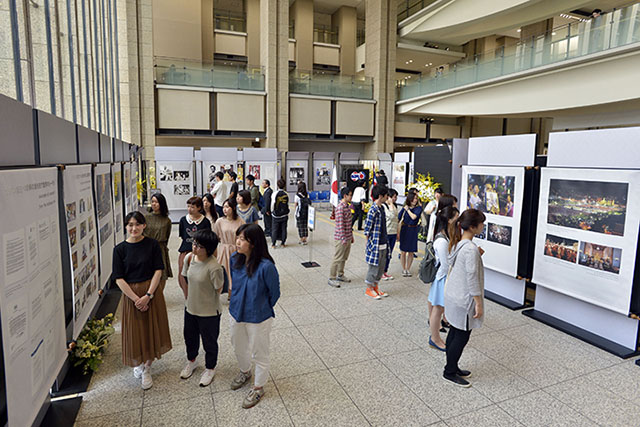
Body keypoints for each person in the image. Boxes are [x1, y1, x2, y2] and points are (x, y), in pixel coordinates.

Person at [113, 212, 172, 390]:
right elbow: (119, 278)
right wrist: (136, 299)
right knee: (135, 330)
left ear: (144, 225)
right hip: (131, 295)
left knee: (151, 328)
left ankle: (147, 366)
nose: (134, 228)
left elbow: (158, 271)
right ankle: (138, 363)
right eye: (130, 225)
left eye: (138, 224)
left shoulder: (152, 245)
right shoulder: (119, 249)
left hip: (151, 292)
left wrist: (148, 295)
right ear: (125, 227)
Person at [229, 224, 280, 409]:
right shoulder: (234, 259)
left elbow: (274, 293)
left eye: (242, 239)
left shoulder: (266, 267)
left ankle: (258, 387)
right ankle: (245, 371)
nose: (237, 242)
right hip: (236, 312)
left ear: (253, 243)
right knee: (238, 345)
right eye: (238, 238)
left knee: (260, 352)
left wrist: (260, 307)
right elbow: (234, 285)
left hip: (259, 316)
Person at [443, 208, 486, 387]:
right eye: (482, 223)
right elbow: (472, 278)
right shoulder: (470, 249)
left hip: (453, 294)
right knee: (461, 336)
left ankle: (452, 366)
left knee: (454, 332)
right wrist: (478, 303)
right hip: (464, 299)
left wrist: (478, 255)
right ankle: (449, 371)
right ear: (473, 227)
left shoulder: (460, 243)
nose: (483, 226)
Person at [180, 230, 224, 387]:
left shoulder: (214, 267)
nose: (194, 247)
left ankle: (210, 368)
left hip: (209, 312)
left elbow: (219, 289)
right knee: (190, 337)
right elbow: (186, 277)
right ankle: (191, 361)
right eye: (194, 243)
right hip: (190, 308)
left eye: (199, 246)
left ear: (209, 249)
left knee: (209, 342)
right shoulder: (189, 258)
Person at [428, 206, 459, 352]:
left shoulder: (446, 236)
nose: (457, 221)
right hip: (442, 278)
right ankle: (435, 338)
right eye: (455, 218)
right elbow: (446, 265)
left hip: (443, 277)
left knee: (438, 308)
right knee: (438, 309)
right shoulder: (441, 240)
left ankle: (435, 338)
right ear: (449, 220)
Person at [178, 197, 212, 298]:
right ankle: (187, 295)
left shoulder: (205, 221)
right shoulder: (183, 220)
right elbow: (182, 235)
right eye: (188, 206)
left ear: (199, 208)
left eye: (192, 207)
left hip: (200, 253)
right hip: (185, 250)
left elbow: (208, 237)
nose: (189, 209)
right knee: (182, 272)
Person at [363, 185, 390, 299]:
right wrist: (369, 242)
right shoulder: (373, 209)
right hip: (375, 244)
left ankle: (375, 287)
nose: (387, 197)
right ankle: (369, 289)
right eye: (386, 195)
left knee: (381, 267)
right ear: (380, 196)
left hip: (383, 241)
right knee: (373, 267)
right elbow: (367, 228)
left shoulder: (382, 208)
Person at [213, 198, 244, 297]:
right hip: (223, 249)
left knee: (234, 271)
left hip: (235, 249)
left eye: (227, 207)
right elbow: (216, 236)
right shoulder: (219, 221)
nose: (225, 209)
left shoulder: (240, 221)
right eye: (223, 207)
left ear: (233, 208)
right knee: (222, 271)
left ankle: (233, 292)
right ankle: (219, 291)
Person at [144, 193, 173, 283]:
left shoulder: (166, 220)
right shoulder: (146, 218)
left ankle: (160, 295)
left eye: (156, 202)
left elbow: (167, 236)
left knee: (162, 274)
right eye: (152, 202)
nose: (154, 204)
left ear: (161, 203)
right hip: (147, 248)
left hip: (160, 248)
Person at [328, 187, 354, 288]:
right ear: (345, 196)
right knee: (337, 258)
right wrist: (343, 238)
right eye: (350, 195)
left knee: (344, 257)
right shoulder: (340, 208)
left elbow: (348, 223)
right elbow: (340, 225)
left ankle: (340, 274)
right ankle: (332, 277)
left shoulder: (347, 206)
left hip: (347, 236)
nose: (351, 197)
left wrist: (351, 236)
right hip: (341, 238)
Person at [397, 192, 423, 277]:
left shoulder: (418, 208)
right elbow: (399, 217)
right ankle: (403, 268)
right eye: (414, 198)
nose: (415, 200)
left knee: (411, 251)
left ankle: (408, 269)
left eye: (416, 198)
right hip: (405, 229)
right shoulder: (405, 207)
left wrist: (407, 210)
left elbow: (414, 217)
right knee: (403, 251)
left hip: (413, 229)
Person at [382, 188, 399, 280]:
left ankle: (385, 271)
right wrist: (391, 204)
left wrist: (397, 233)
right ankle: (381, 271)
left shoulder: (394, 206)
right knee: (385, 253)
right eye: (394, 197)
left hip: (393, 232)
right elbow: (391, 216)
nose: (395, 199)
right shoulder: (384, 207)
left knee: (389, 253)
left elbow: (397, 219)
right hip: (387, 232)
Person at [271, 178, 289, 248]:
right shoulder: (286, 194)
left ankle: (273, 243)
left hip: (276, 215)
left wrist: (272, 211)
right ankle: (283, 243)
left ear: (277, 185)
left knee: (275, 229)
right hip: (284, 214)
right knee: (284, 228)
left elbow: (272, 204)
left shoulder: (275, 194)